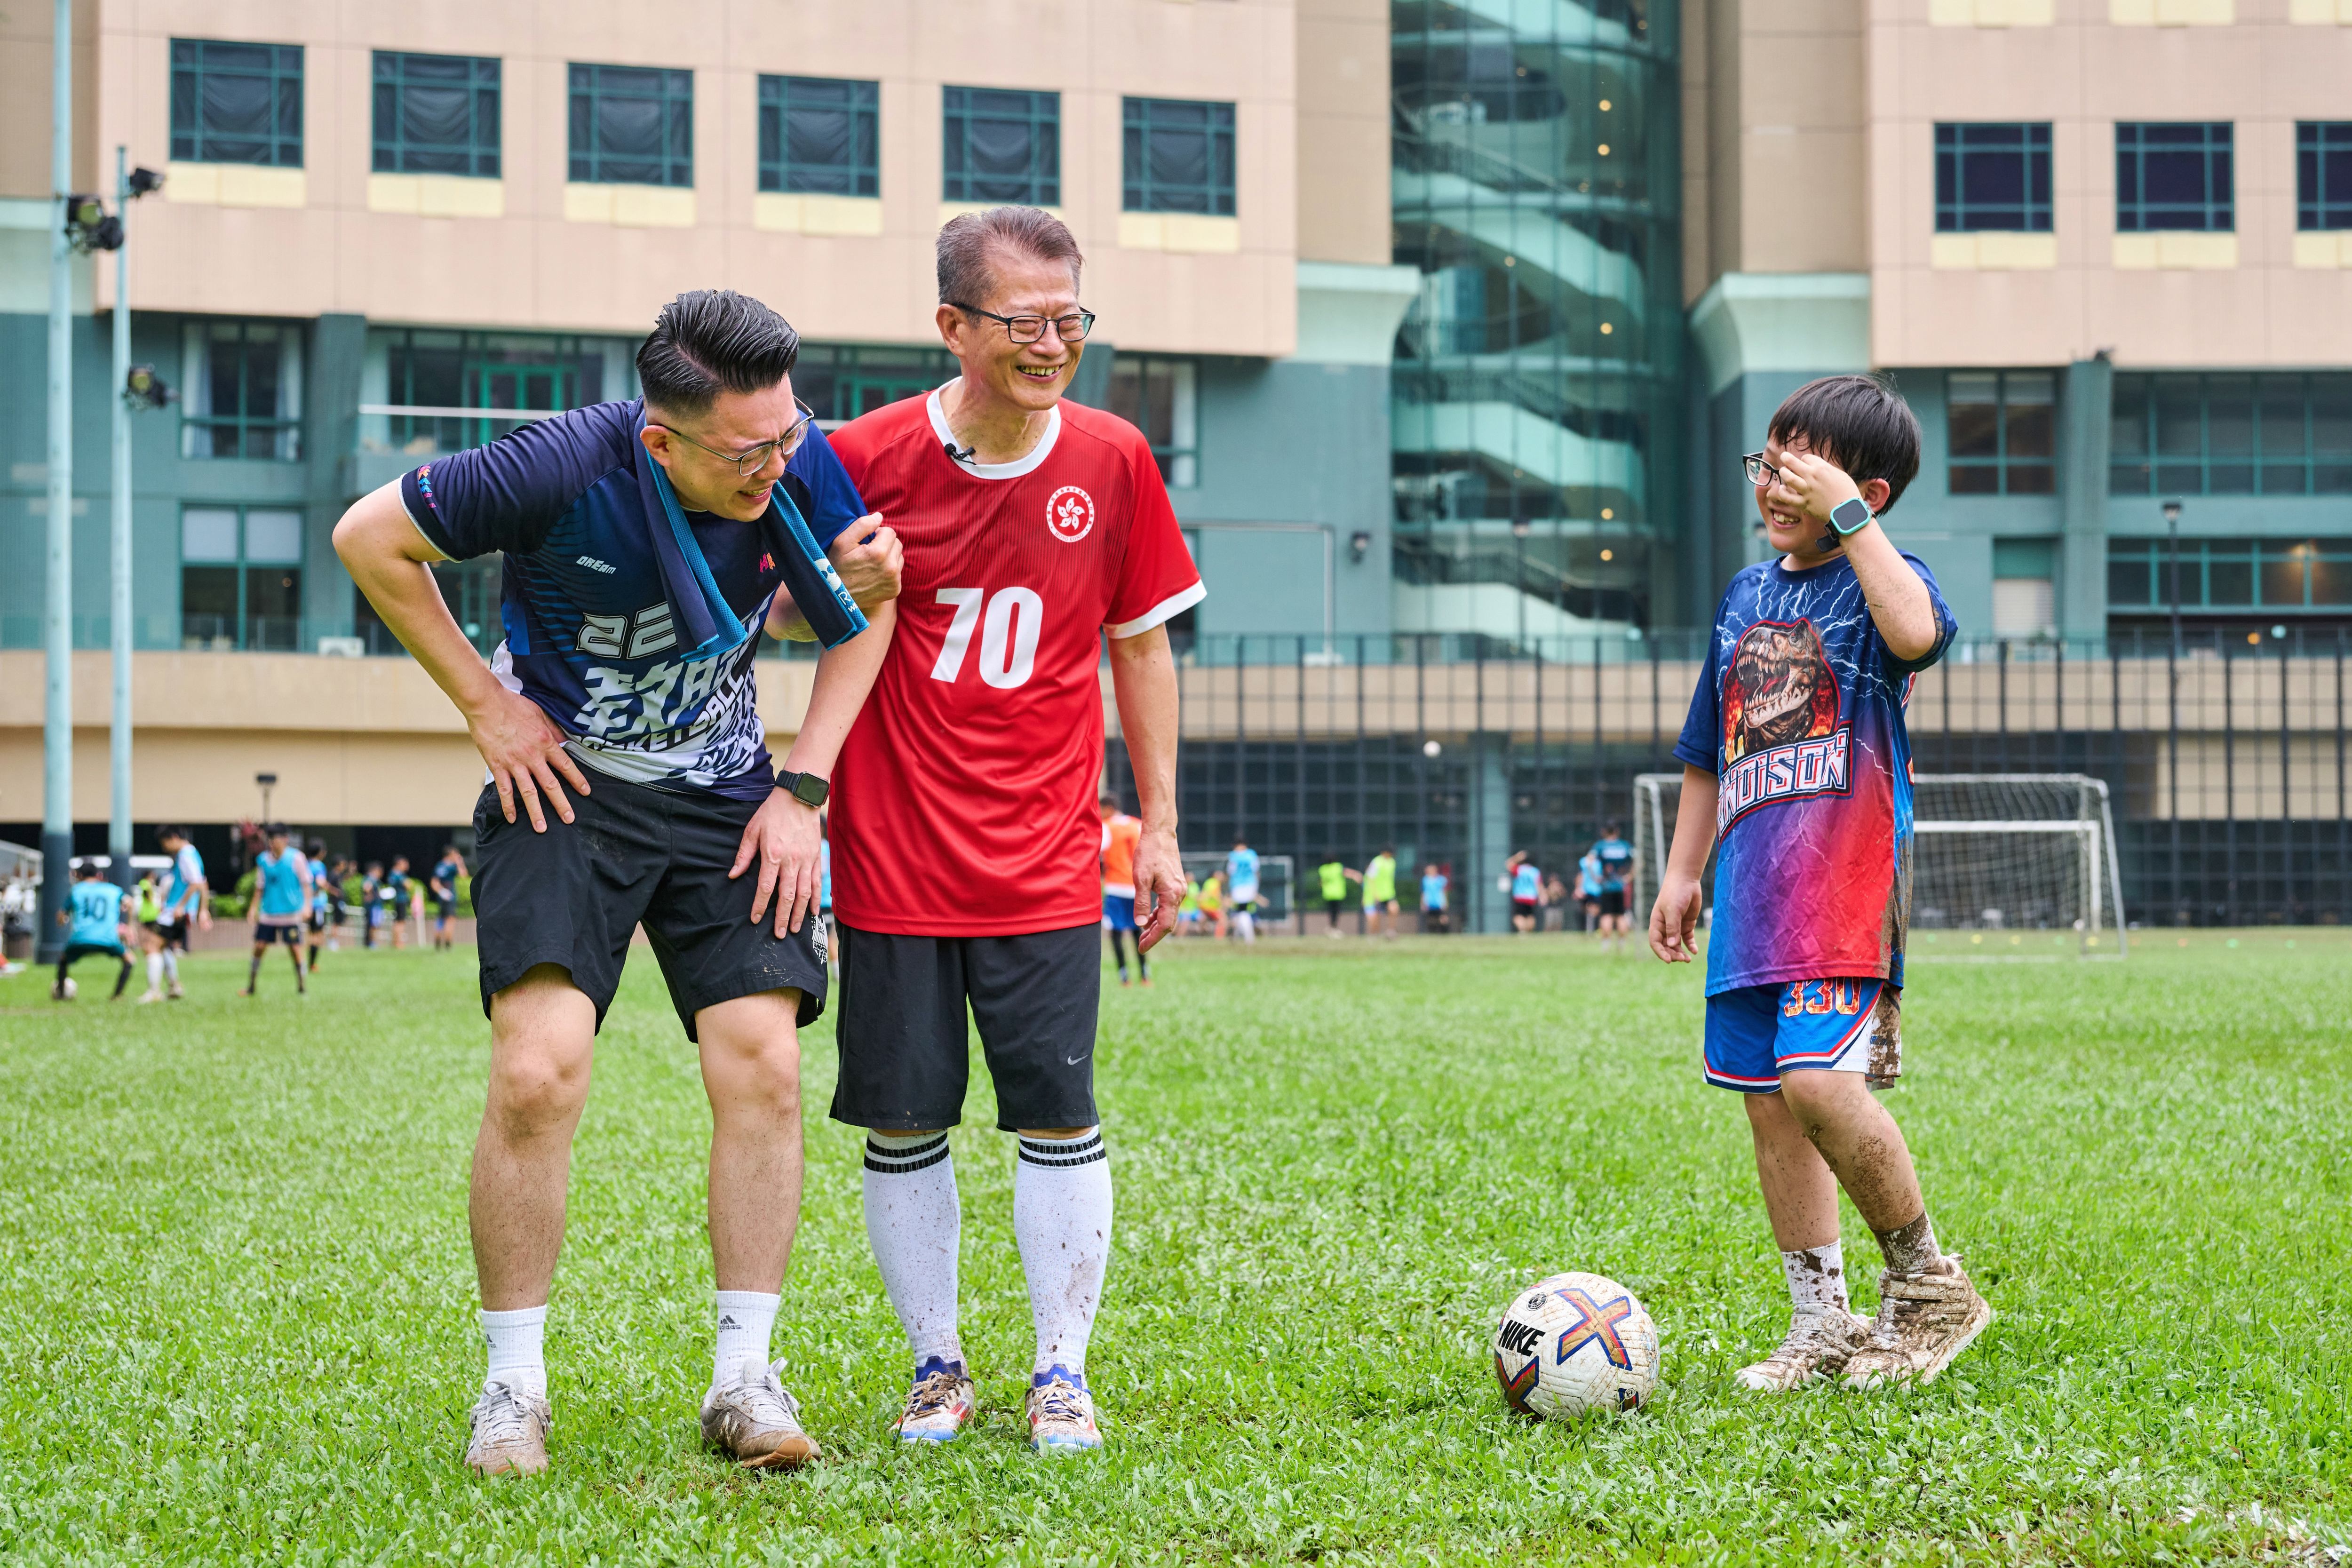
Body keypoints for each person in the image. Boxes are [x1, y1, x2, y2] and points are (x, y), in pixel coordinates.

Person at [334, 287, 902, 1476]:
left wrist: (803, 791)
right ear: (662, 439)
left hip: (724, 792)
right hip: (565, 787)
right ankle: (512, 1389)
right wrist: (487, 707)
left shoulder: (795, 454)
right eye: (746, 454)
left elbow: (854, 615)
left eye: (787, 437)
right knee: (536, 1072)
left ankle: (745, 1380)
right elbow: (367, 538)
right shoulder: (556, 467)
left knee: (765, 1062)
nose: (777, 467)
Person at [826, 206, 1200, 1455]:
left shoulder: (1115, 458)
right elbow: (788, 616)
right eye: (1024, 322)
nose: (1053, 344)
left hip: (1045, 856)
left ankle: (1060, 1371)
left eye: (1069, 318)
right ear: (952, 326)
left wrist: (1157, 827)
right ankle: (935, 1366)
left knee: (1057, 1107)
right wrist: (843, 586)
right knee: (903, 1117)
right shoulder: (863, 454)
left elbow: (1140, 646)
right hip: (892, 852)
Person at [1650, 373, 1990, 1394]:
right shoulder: (1743, 597)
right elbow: (1707, 748)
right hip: (1751, 902)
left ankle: (1929, 1286)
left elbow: (1917, 634)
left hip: (1844, 889)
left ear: (1865, 493)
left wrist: (1849, 521)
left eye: (1801, 471)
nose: (1773, 485)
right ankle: (1822, 1321)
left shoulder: (1886, 577)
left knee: (1817, 1083)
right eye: (1768, 463)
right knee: (1769, 1106)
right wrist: (1682, 870)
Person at [139, 825, 208, 1003]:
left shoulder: (185, 855)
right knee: (162, 946)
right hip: (179, 910)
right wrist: (203, 909)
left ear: (174, 838)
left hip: (175, 912)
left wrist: (181, 906)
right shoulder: (192, 853)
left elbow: (196, 883)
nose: (165, 848)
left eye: (165, 843)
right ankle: (174, 986)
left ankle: (155, 991)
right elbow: (203, 882)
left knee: (151, 946)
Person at [242, 824, 311, 997]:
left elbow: (306, 884)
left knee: (295, 949)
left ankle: (302, 985)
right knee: (259, 947)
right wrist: (253, 908)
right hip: (269, 913)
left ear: (285, 839)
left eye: (276, 839)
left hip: (291, 913)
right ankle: (251, 985)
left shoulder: (297, 858)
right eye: (270, 839)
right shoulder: (263, 860)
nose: (273, 843)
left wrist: (307, 906)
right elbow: (260, 887)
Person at [53, 859, 135, 1001]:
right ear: (98, 875)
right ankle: (117, 996)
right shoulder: (113, 890)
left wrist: (61, 922)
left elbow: (62, 915)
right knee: (130, 960)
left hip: (81, 938)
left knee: (63, 960)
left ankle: (61, 994)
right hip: (108, 938)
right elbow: (130, 903)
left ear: (79, 875)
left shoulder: (76, 890)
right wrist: (130, 926)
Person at [1098, 797, 1149, 987]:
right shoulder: (1137, 824)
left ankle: (1124, 977)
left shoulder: (1107, 827)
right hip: (1136, 886)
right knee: (1138, 932)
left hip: (1116, 886)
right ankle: (1145, 975)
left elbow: (1098, 851)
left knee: (1116, 933)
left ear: (1108, 808)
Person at [1592, 821, 1635, 954]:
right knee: (1621, 916)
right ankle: (1621, 946)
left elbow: (1588, 862)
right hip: (1621, 887)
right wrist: (1630, 876)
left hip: (1606, 887)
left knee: (1606, 916)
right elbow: (1639, 860)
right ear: (1617, 831)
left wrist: (1595, 877)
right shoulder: (1624, 846)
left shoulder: (1601, 846)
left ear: (1604, 832)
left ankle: (1606, 946)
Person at [304, 839, 334, 971]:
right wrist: (330, 889)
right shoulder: (319, 866)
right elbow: (320, 882)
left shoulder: (306, 864)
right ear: (320, 852)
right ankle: (312, 964)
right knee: (317, 935)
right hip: (317, 904)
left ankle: (309, 963)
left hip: (307, 904)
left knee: (311, 933)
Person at [1360, 845, 1400, 940]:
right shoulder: (1376, 862)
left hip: (1389, 893)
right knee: (1375, 918)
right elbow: (1370, 878)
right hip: (1377, 894)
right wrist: (1375, 893)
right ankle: (1373, 935)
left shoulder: (1392, 862)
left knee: (1394, 909)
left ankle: (1391, 931)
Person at [1224, 837, 1260, 944]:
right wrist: (1256, 888)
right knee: (1239, 911)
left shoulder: (1233, 856)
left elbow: (1230, 872)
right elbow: (1256, 871)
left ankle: (1248, 937)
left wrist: (1228, 889)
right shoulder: (1252, 855)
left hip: (1238, 886)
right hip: (1250, 885)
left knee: (1242, 911)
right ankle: (1236, 936)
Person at [430, 845, 466, 950]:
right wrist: (460, 862)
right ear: (451, 854)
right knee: (450, 919)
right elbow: (463, 875)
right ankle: (448, 943)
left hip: (441, 897)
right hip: (450, 897)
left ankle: (437, 940)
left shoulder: (439, 866)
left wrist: (441, 892)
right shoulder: (451, 866)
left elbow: (434, 883)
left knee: (441, 918)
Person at [1506, 851, 1541, 934]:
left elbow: (1508, 864)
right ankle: (1529, 932)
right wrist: (1542, 896)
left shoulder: (1519, 869)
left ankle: (1523, 931)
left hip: (1520, 896)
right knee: (1530, 915)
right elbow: (1539, 885)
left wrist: (1517, 857)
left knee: (1519, 916)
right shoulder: (1535, 871)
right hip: (1532, 897)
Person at [1315, 854, 1350, 937]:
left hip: (1328, 894)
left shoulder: (1323, 869)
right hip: (1338, 894)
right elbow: (1347, 873)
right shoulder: (1338, 867)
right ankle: (1334, 928)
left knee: (1331, 911)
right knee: (1336, 912)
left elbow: (1321, 882)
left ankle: (1331, 927)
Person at [384, 855, 414, 950]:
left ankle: (395, 942)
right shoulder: (399, 875)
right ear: (399, 864)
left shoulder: (392, 874)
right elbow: (409, 885)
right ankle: (399, 943)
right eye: (405, 863)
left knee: (397, 922)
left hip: (396, 900)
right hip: (401, 900)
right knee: (401, 922)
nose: (407, 866)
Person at [1576, 847, 1603, 934]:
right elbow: (1580, 875)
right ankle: (1587, 928)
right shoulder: (1583, 862)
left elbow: (1600, 877)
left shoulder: (1599, 863)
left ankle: (1594, 928)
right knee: (1585, 909)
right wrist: (1578, 888)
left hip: (1596, 890)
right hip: (1585, 889)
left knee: (1595, 909)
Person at [360, 860, 384, 950]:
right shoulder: (371, 879)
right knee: (373, 925)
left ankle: (372, 943)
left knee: (375, 925)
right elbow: (366, 889)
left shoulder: (375, 880)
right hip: (373, 906)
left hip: (376, 906)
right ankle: (371, 943)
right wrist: (369, 895)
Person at [1419, 863, 1449, 934]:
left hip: (1439, 903)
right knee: (1431, 920)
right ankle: (1433, 933)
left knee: (1443, 919)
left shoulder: (1441, 879)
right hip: (1429, 903)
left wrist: (1445, 902)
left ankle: (1445, 933)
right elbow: (1424, 893)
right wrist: (1422, 904)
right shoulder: (1425, 880)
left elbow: (1444, 892)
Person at [1197, 869, 1225, 939]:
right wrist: (1221, 903)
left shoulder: (1208, 882)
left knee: (1204, 921)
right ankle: (1219, 938)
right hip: (1211, 907)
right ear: (1215, 875)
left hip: (1203, 906)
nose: (1222, 876)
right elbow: (1214, 895)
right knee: (1223, 920)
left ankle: (1202, 936)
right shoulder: (1215, 883)